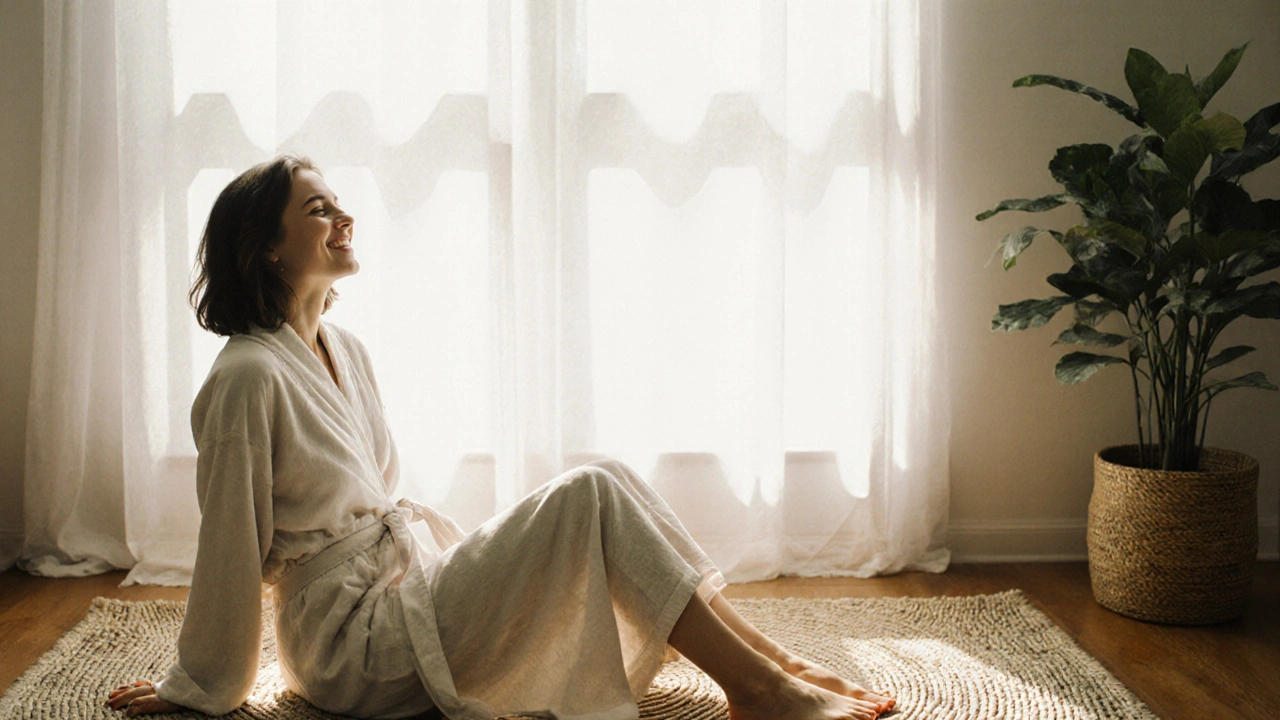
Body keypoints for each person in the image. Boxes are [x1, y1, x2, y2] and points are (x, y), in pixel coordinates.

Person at [105, 156, 895, 720]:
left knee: (609, 475)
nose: (343, 216)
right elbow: (231, 542)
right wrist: (201, 681)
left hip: (403, 585)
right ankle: (759, 690)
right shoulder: (246, 375)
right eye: (318, 208)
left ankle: (772, 666)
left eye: (338, 201)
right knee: (587, 493)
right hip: (351, 646)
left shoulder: (346, 350)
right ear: (268, 245)